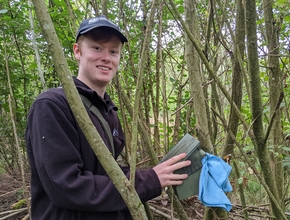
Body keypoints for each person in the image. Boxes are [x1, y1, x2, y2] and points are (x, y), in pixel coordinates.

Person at [25, 15, 191, 220]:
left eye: (113, 51)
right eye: (96, 48)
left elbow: (105, 173)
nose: (106, 57)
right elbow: (67, 186)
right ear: (77, 51)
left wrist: (160, 174)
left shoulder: (108, 111)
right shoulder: (52, 105)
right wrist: (149, 180)